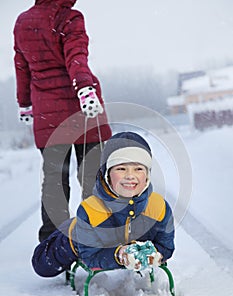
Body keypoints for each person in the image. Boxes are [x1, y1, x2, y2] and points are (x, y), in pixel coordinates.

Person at [13, 0, 112, 242]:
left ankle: (53, 241)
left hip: (47, 113)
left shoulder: (23, 21)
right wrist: (84, 88)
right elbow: (76, 57)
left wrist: (25, 102)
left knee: (54, 181)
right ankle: (96, 235)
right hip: (80, 111)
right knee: (92, 177)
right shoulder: (69, 17)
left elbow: (22, 66)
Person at [32, 131, 175, 277]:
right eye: (121, 168)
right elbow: (91, 257)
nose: (130, 176)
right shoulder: (91, 211)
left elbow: (166, 246)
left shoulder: (159, 207)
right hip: (78, 237)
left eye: (138, 169)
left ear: (147, 176)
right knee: (43, 266)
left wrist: (156, 254)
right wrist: (118, 255)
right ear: (107, 174)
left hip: (120, 238)